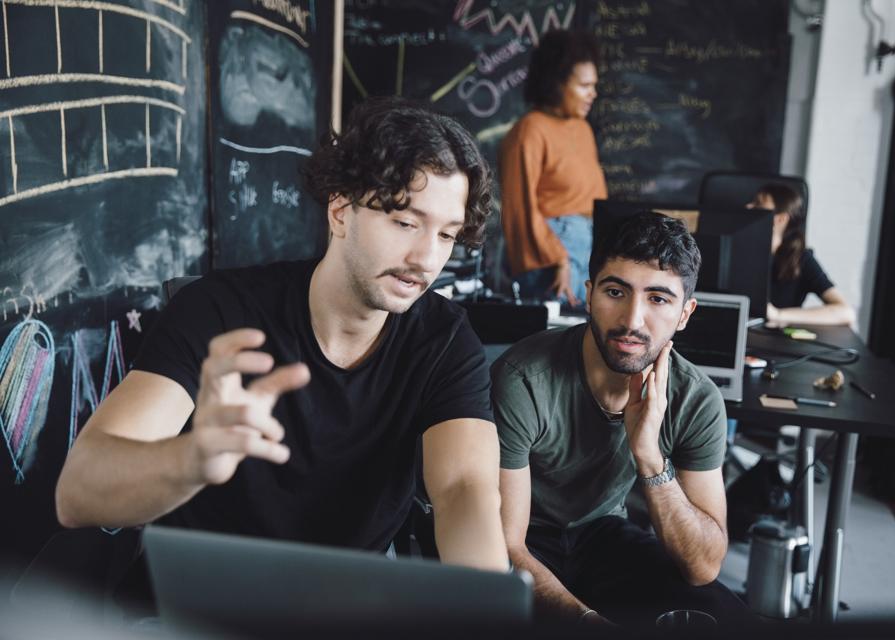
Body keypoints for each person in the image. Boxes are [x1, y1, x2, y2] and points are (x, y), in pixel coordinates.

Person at [55, 97, 509, 573]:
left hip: (348, 607)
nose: (426, 259)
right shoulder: (219, 312)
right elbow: (78, 493)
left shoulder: (443, 339)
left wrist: (488, 613)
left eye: (446, 235)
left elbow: (464, 489)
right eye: (405, 222)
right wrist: (191, 458)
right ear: (340, 211)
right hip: (195, 606)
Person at [492, 212, 748, 627]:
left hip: (601, 534)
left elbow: (702, 566)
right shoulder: (523, 379)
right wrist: (587, 621)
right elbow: (506, 545)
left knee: (727, 618)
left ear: (685, 313)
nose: (632, 320)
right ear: (589, 294)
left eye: (659, 299)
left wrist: (649, 456)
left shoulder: (696, 398)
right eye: (616, 291)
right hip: (528, 538)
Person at [498, 29, 607, 308]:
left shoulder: (582, 128)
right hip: (553, 255)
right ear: (557, 83)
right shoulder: (529, 130)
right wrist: (557, 259)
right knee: (557, 340)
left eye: (594, 85)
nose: (592, 94)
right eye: (584, 86)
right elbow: (520, 210)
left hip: (586, 249)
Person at [748, 183, 855, 326]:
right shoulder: (735, 251)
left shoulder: (800, 257)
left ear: (780, 219)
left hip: (776, 341)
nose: (748, 207)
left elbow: (845, 313)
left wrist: (778, 314)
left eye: (758, 205)